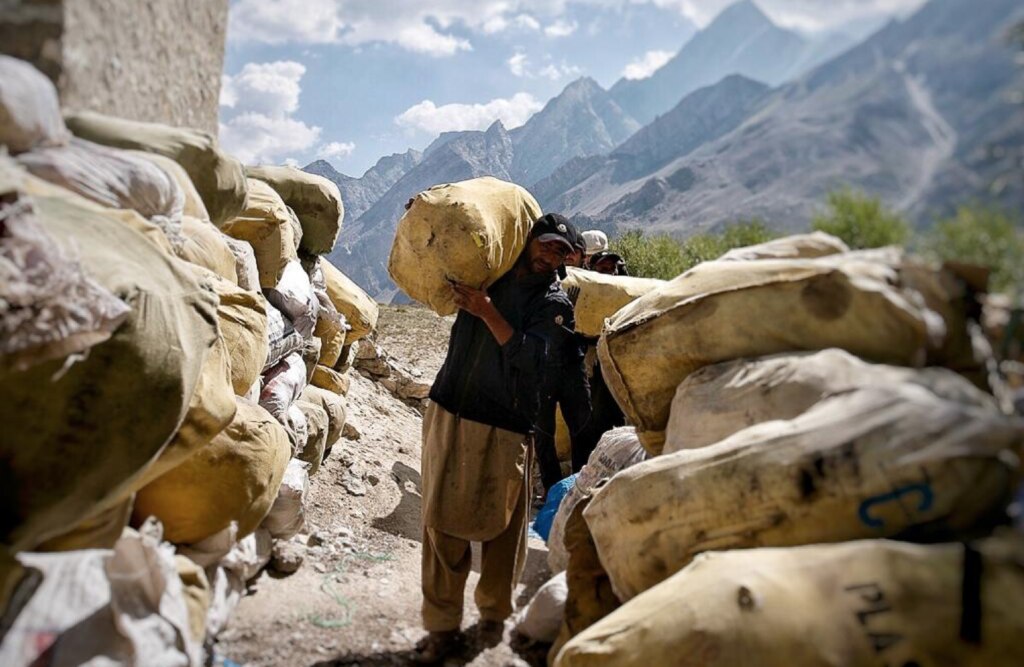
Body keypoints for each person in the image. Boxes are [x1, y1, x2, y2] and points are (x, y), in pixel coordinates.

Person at [415, 213, 579, 662]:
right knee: (441, 525)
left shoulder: (553, 304)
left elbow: (533, 360)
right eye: (547, 245)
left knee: (502, 530)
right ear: (528, 242)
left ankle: (493, 614)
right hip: (450, 407)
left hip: (505, 424)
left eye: (562, 252)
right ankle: (442, 628)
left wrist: (486, 311)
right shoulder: (488, 274)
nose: (552, 256)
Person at [535, 221, 592, 495]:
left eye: (567, 250)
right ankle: (553, 490)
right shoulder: (533, 281)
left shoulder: (584, 284)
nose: (564, 256)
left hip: (572, 364)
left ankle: (580, 487)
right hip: (542, 368)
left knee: (582, 425)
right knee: (544, 433)